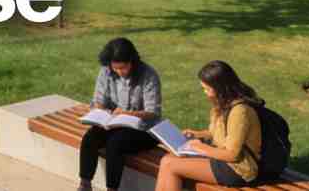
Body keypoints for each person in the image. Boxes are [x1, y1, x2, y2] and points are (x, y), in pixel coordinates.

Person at [155, 60, 263, 190]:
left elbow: (232, 154)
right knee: (167, 159)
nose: (205, 92)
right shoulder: (222, 103)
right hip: (221, 159)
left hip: (239, 168)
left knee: (170, 165)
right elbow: (218, 134)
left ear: (220, 87)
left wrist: (201, 148)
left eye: (207, 88)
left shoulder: (240, 111)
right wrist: (197, 134)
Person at [78, 38, 162, 191]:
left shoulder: (148, 75)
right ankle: (85, 184)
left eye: (123, 68)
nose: (119, 72)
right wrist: (102, 112)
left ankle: (112, 189)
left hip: (144, 128)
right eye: (115, 68)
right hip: (115, 123)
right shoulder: (106, 70)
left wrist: (128, 113)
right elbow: (98, 100)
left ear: (132, 60)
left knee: (115, 145)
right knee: (90, 138)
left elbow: (153, 112)